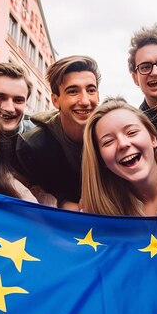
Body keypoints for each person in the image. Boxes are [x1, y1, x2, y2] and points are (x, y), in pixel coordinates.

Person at [16, 55, 101, 210]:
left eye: (91, 90)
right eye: (73, 91)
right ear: (55, 100)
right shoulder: (33, 146)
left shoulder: (111, 136)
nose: (85, 101)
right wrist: (64, 204)